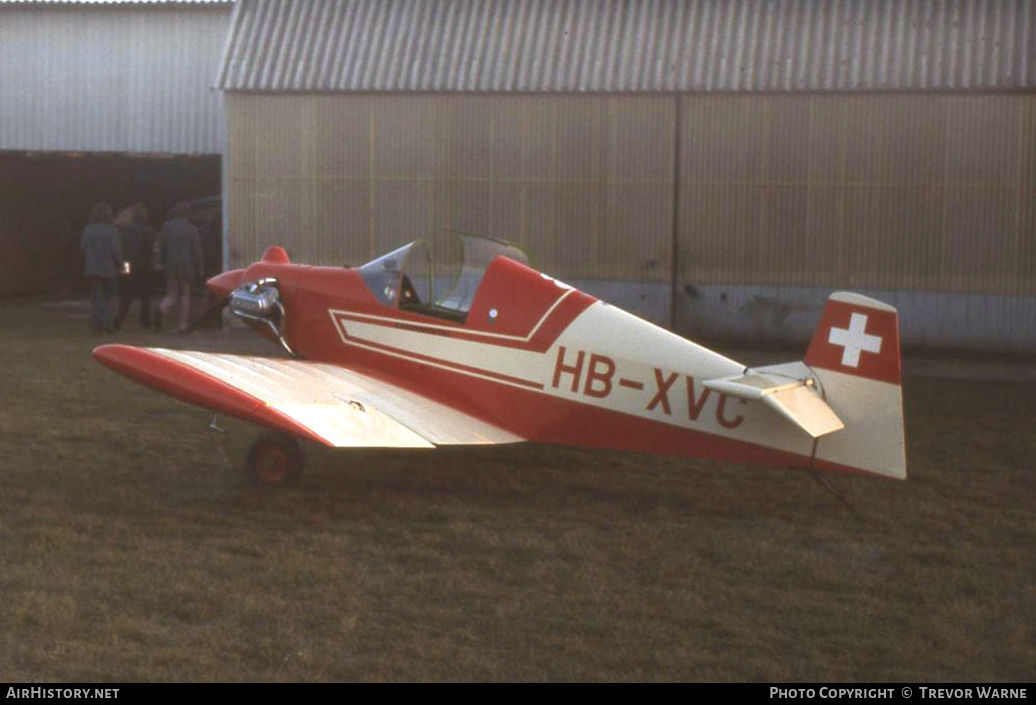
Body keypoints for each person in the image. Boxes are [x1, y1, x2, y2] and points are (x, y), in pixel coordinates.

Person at [157, 201, 203, 333]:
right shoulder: (192, 229)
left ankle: (162, 308)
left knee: (171, 293)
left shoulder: (166, 227)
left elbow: (162, 247)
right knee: (185, 294)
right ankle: (182, 324)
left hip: (170, 264)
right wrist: (200, 267)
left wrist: (160, 261)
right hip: (187, 265)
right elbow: (197, 250)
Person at [80, 202, 122, 335]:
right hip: (109, 268)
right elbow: (116, 250)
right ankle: (108, 323)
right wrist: (120, 264)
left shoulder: (88, 230)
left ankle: (96, 326)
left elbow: (83, 247)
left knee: (96, 298)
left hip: (92, 268)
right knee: (110, 298)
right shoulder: (112, 231)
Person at [114, 202, 155, 329]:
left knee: (126, 293)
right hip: (145, 265)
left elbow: (124, 248)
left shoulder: (127, 230)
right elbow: (150, 248)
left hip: (130, 263)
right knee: (145, 295)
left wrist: (124, 265)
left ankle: (119, 319)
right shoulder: (148, 230)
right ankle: (145, 321)